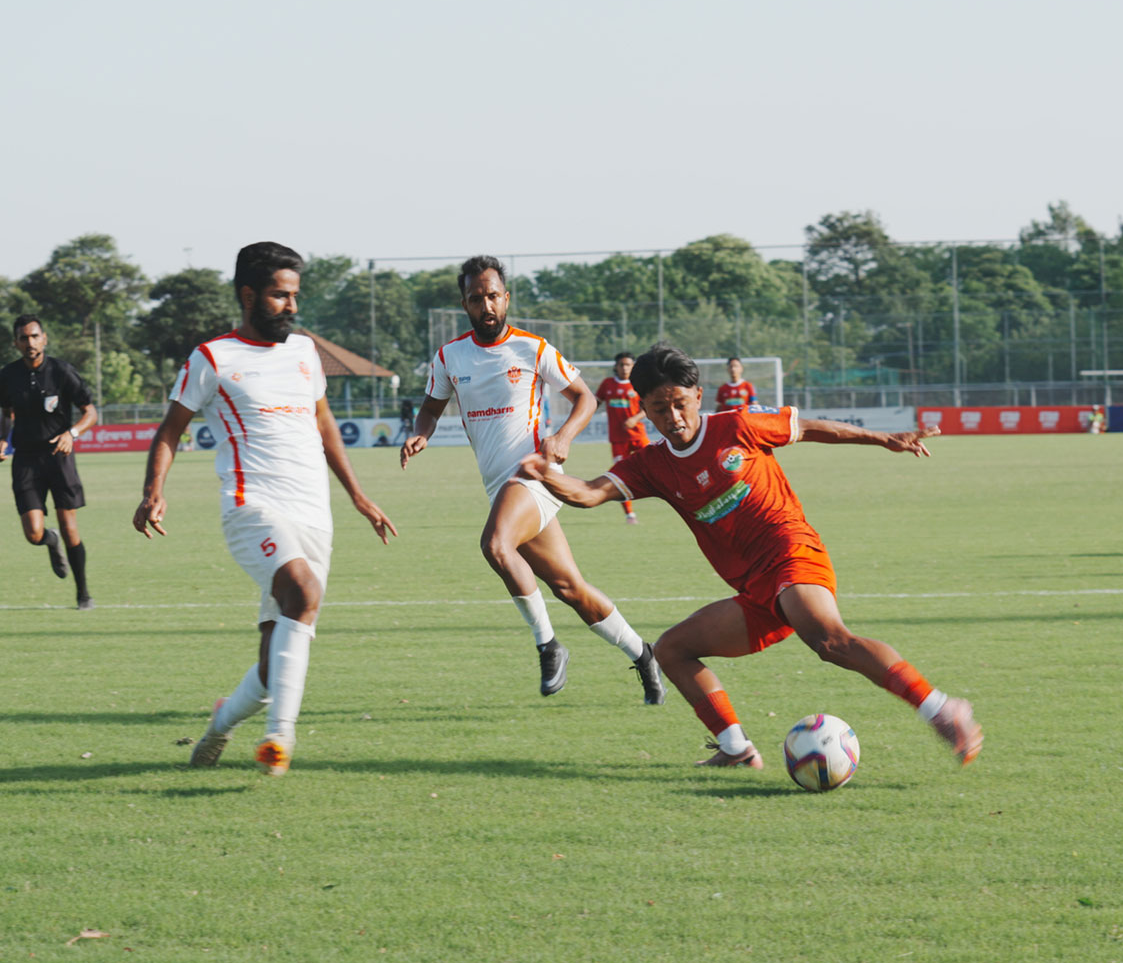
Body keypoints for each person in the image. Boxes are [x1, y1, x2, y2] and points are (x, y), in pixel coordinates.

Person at [519, 343, 982, 770]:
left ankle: (941, 708)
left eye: (680, 403)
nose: (674, 417)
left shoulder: (737, 426)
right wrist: (545, 472)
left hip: (792, 555)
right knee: (672, 650)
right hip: (756, 590)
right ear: (645, 410)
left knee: (830, 641)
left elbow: (811, 428)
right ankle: (736, 748)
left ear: (698, 395)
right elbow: (585, 494)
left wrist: (884, 439)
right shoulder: (650, 465)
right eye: (660, 409)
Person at [135, 242, 397, 775]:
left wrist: (357, 495)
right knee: (303, 592)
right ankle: (280, 738)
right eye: (280, 295)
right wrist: (153, 491)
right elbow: (169, 431)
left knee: (272, 657)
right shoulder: (212, 358)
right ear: (249, 295)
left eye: (295, 295)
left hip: (312, 515)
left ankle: (219, 726)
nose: (292, 306)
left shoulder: (303, 353)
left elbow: (324, 425)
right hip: (250, 506)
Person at [400, 255, 665, 704]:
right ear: (464, 303)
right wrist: (419, 434)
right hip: (498, 488)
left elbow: (584, 399)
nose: (485, 305)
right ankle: (644, 655)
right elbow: (430, 407)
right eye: (475, 298)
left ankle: (548, 644)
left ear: (505, 298)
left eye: (492, 296)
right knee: (570, 588)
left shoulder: (532, 348)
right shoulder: (450, 357)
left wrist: (562, 436)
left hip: (534, 475)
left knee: (495, 545)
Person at [0, 315, 99, 609]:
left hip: (59, 457)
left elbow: (90, 412)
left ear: (44, 338)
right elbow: (6, 413)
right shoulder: (8, 375)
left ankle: (83, 594)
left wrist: (73, 433)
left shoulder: (62, 372)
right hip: (26, 460)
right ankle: (49, 542)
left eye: (34, 336)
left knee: (70, 528)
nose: (30, 342)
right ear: (16, 343)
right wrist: (3, 438)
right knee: (33, 534)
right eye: (24, 338)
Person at [595, 351, 649, 523]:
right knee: (621, 475)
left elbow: (647, 407)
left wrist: (635, 418)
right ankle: (629, 514)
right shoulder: (607, 384)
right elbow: (595, 402)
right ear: (616, 367)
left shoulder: (639, 384)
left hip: (638, 436)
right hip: (618, 439)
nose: (625, 368)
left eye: (628, 365)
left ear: (633, 367)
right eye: (622, 365)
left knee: (656, 463)